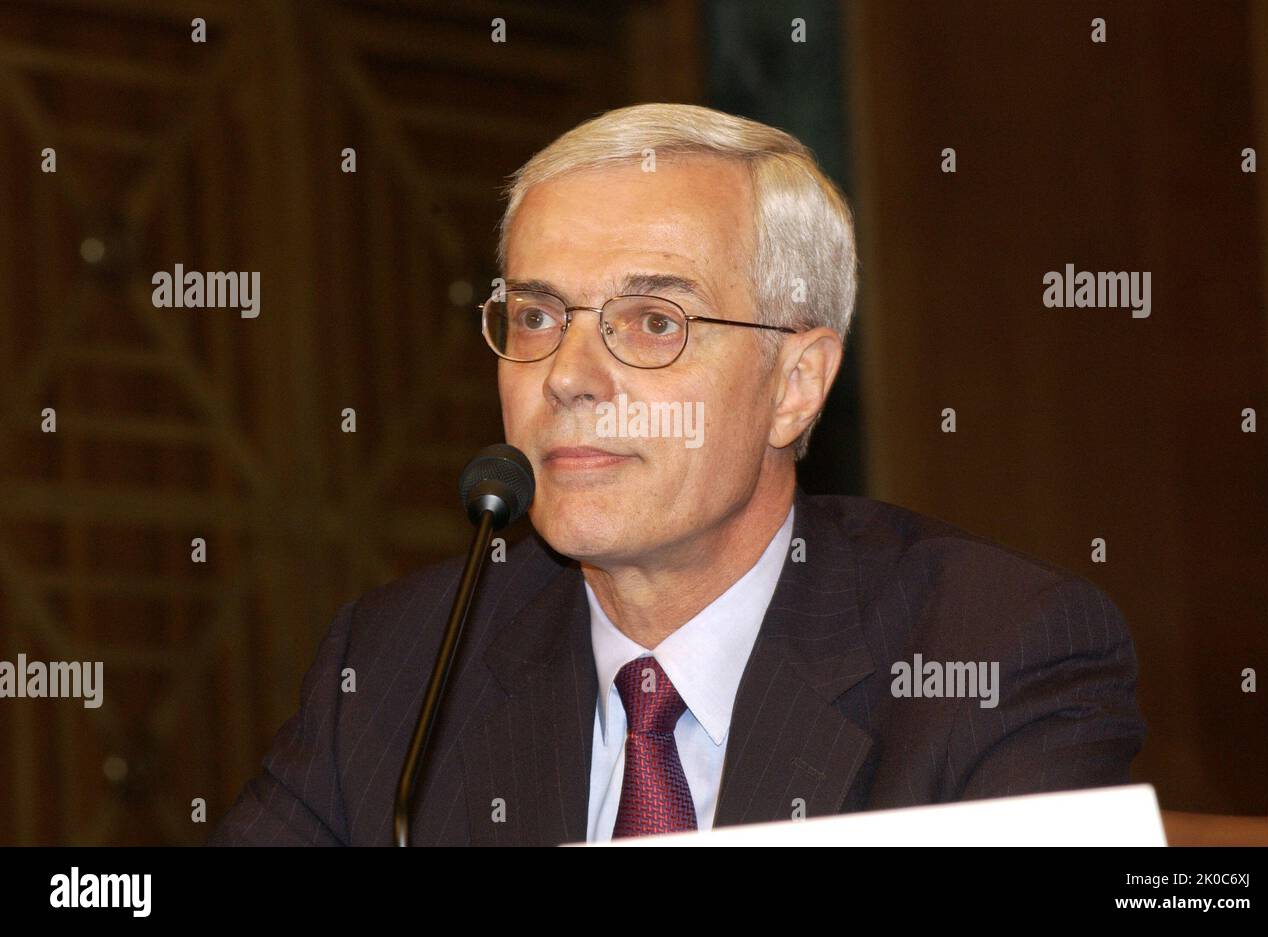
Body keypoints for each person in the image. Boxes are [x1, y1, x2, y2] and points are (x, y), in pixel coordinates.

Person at [209, 103, 1144, 846]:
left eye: (654, 321)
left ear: (796, 383)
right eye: (537, 318)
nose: (567, 376)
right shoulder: (401, 668)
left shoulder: (995, 655)